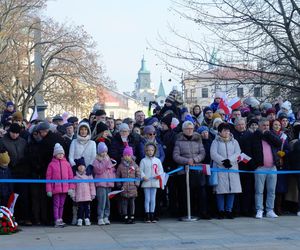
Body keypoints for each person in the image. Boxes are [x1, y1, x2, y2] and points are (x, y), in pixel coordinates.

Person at [173, 120, 207, 218]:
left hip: (197, 169)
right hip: (185, 171)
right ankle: (187, 212)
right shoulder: (178, 141)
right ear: (183, 130)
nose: (189, 130)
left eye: (191, 128)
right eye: (187, 129)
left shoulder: (198, 139)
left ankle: (202, 212)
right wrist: (187, 161)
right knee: (186, 193)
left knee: (201, 192)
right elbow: (176, 156)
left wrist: (195, 159)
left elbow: (202, 153)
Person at [250, 118, 282, 219]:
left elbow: (278, 143)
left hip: (272, 167)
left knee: (271, 190)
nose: (266, 127)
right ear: (259, 126)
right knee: (259, 191)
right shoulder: (254, 136)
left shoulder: (271, 135)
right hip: (260, 168)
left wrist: (268, 134)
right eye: (264, 125)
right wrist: (254, 165)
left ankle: (270, 210)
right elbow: (249, 151)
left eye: (268, 125)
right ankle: (259, 210)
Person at [210, 122, 242, 219]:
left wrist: (230, 160)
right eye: (224, 130)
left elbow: (238, 152)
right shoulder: (215, 142)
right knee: (220, 191)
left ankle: (229, 210)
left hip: (232, 168)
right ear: (219, 132)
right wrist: (223, 161)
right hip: (220, 168)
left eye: (228, 130)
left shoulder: (234, 141)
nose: (227, 132)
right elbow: (213, 154)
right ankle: (221, 210)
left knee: (231, 190)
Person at [46, 143, 75, 227]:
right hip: (55, 189)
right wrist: (49, 190)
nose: (60, 155)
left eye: (62, 153)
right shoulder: (51, 164)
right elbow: (48, 178)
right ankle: (56, 219)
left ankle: (60, 218)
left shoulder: (67, 164)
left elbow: (71, 176)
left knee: (62, 204)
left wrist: (71, 188)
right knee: (56, 205)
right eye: (59, 153)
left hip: (65, 188)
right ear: (55, 154)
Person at [93, 142, 116, 226]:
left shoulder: (109, 159)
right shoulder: (96, 160)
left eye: (105, 151)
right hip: (101, 184)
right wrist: (105, 162)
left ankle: (106, 216)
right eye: (102, 151)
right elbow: (98, 170)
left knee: (107, 202)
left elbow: (112, 171)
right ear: (99, 152)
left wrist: (113, 179)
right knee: (101, 201)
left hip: (108, 184)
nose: (104, 153)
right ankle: (100, 217)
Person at [140, 142, 164, 223]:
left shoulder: (157, 161)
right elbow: (140, 170)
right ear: (145, 151)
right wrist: (143, 176)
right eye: (148, 150)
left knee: (153, 199)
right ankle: (147, 215)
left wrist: (158, 175)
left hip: (154, 181)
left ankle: (152, 214)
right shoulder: (143, 160)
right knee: (147, 199)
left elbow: (161, 171)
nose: (150, 152)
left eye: (152, 150)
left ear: (154, 151)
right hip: (146, 182)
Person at [116, 146, 140, 224]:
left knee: (132, 202)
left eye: (128, 155)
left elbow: (138, 175)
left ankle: (132, 216)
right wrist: (119, 184)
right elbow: (117, 176)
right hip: (124, 187)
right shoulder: (120, 166)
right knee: (124, 202)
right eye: (125, 155)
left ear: (131, 156)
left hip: (133, 187)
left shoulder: (135, 165)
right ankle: (125, 215)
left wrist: (136, 184)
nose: (127, 156)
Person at [73, 157, 96, 226]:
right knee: (80, 208)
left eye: (82, 166)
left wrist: (93, 194)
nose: (81, 167)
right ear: (77, 167)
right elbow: (73, 187)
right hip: (79, 196)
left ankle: (87, 219)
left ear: (85, 166)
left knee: (87, 208)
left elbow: (92, 185)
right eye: (79, 166)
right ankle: (79, 219)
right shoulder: (75, 177)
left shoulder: (88, 175)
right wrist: (73, 195)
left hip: (87, 196)